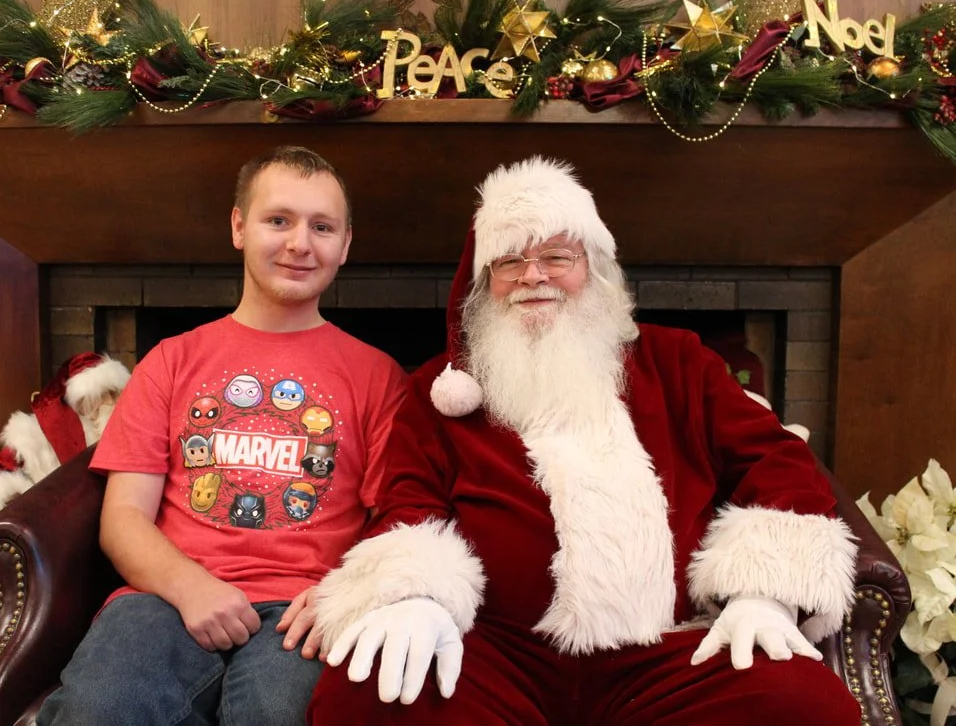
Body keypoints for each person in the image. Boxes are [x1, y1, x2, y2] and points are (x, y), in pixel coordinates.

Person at [307, 156, 861, 725]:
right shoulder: (440, 390)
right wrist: (415, 597)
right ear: (484, 283)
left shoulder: (679, 362)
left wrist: (762, 592)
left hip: (669, 651)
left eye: (556, 257)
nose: (533, 276)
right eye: (509, 261)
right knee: (363, 694)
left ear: (592, 267)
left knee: (803, 705)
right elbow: (408, 499)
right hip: (496, 652)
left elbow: (776, 459)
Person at [37, 145, 407, 725]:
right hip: (163, 598)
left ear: (346, 244)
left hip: (306, 608)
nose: (299, 244)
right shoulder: (171, 360)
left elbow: (399, 517)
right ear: (239, 226)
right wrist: (191, 587)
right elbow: (123, 517)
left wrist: (350, 590)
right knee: (98, 709)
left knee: (279, 714)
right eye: (278, 220)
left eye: (322, 226)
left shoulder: (378, 376)